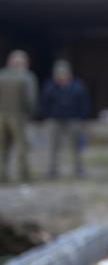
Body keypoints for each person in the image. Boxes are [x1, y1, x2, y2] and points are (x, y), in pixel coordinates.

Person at [42, 60, 90, 179]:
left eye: (64, 73)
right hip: (55, 120)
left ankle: (79, 169)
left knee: (76, 146)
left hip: (73, 120)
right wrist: (47, 115)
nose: (61, 76)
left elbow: (84, 102)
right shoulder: (50, 87)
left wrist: (82, 117)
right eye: (59, 74)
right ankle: (52, 170)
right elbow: (44, 102)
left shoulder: (77, 86)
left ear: (69, 74)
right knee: (53, 146)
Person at [0, 50, 38, 184]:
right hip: (18, 116)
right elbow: (30, 99)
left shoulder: (1, 75)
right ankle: (24, 175)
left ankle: (2, 175)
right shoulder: (27, 77)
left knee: (3, 147)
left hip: (1, 115)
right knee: (22, 147)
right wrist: (31, 113)